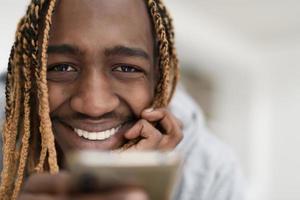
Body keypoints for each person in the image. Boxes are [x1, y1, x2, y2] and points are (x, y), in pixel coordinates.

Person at [0, 0, 245, 200]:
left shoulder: (212, 173)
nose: (94, 105)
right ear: (30, 77)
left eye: (127, 69)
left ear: (159, 80)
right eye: (62, 67)